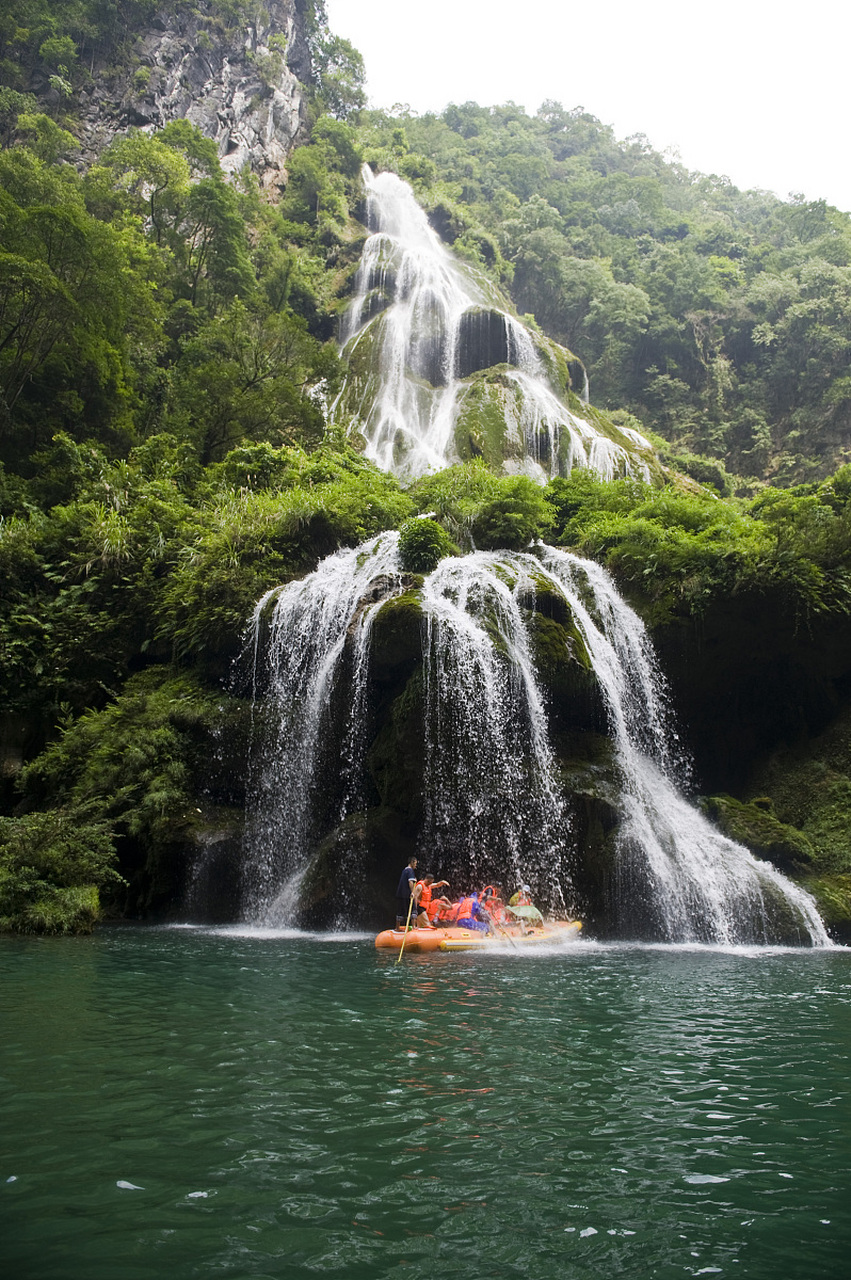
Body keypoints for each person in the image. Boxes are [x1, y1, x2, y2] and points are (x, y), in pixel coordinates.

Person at [396, 856, 420, 930]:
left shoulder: (405, 870)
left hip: (400, 894)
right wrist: (412, 892)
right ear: (412, 862)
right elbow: (410, 882)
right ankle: (413, 927)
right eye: (415, 863)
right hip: (407, 894)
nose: (416, 865)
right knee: (413, 909)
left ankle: (397, 928)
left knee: (400, 910)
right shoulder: (410, 871)